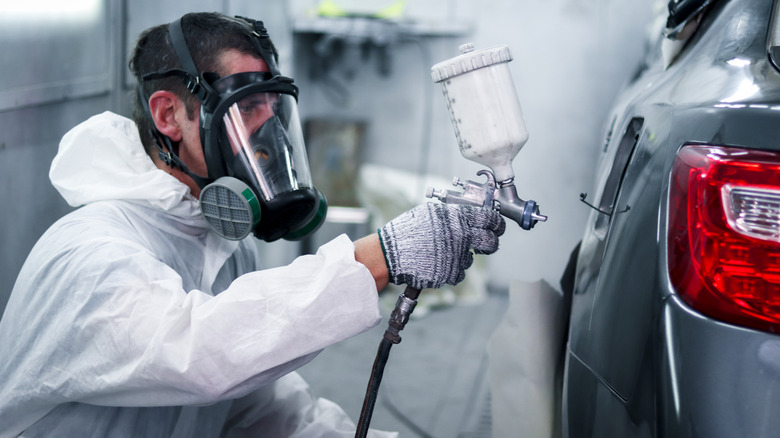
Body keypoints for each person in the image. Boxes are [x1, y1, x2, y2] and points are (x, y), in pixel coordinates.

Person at [0, 12, 505, 437]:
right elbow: (199, 354)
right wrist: (380, 257)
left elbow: (258, 407)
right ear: (168, 115)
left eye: (272, 104)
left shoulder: (218, 241)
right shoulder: (90, 252)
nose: (270, 130)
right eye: (246, 105)